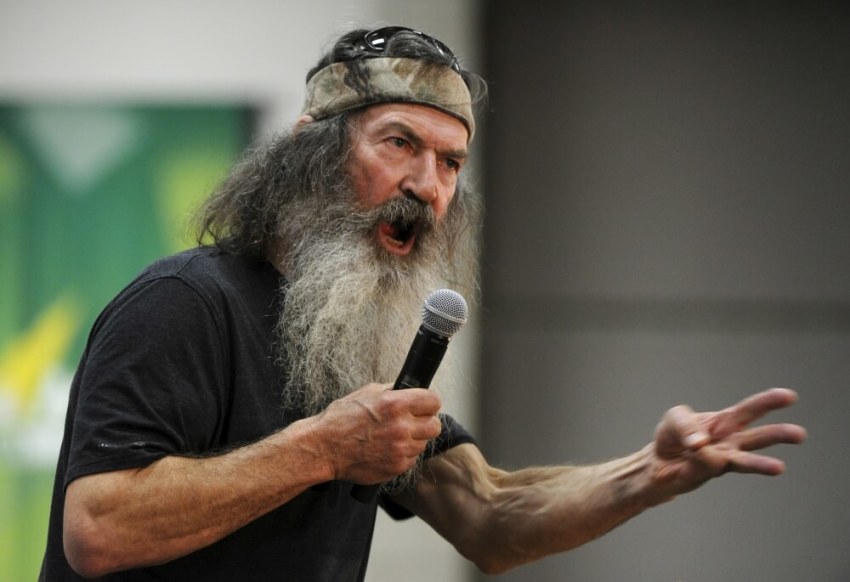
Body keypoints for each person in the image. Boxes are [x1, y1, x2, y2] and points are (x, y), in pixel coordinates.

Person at [39, 25, 806, 581]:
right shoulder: (185, 304)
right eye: (398, 143)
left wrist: (650, 474)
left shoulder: (353, 335)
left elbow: (489, 515)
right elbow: (98, 529)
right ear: (310, 150)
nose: (427, 186)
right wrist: (323, 450)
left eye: (449, 162)